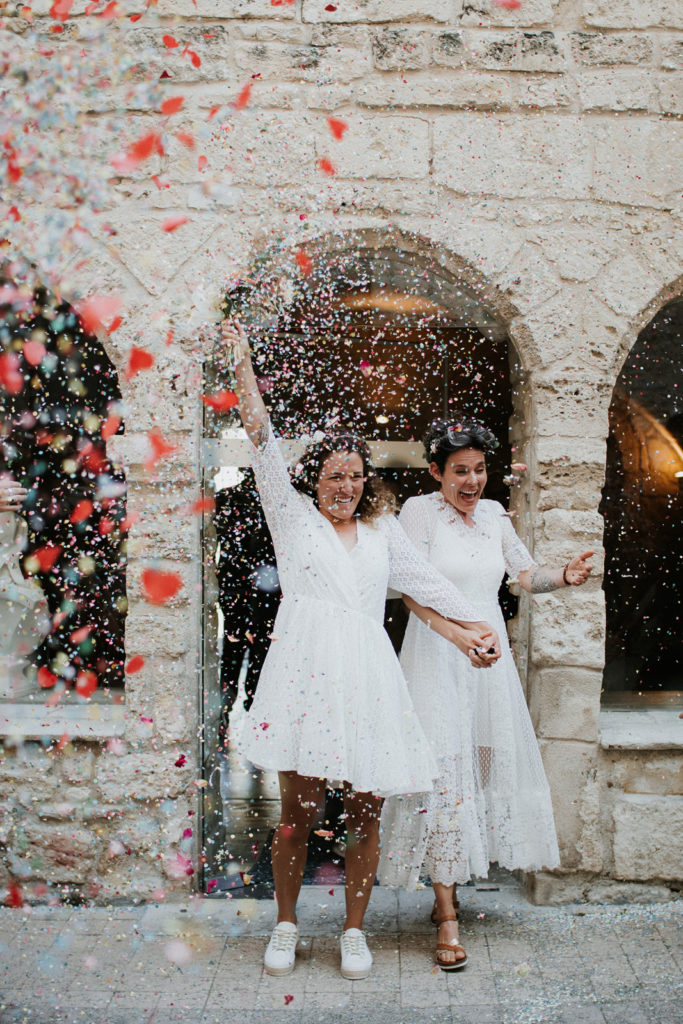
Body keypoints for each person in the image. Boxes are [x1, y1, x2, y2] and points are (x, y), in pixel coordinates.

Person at [219, 321, 501, 981]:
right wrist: (240, 361)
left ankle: (352, 929)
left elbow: (426, 586)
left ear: (364, 481)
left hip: (369, 680)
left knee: (364, 813)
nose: (344, 485)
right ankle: (286, 924)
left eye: (354, 476)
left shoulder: (380, 533)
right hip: (305, 676)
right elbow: (258, 435)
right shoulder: (291, 521)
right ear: (313, 480)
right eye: (333, 475)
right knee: (297, 812)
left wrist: (473, 628)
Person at [379, 418, 594, 971]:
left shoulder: (496, 515)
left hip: (488, 662)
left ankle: (454, 882)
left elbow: (524, 575)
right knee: (444, 772)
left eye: (478, 470)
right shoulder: (419, 514)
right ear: (436, 472)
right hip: (436, 655)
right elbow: (409, 593)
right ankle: (446, 912)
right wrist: (455, 633)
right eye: (459, 472)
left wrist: (562, 577)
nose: (471, 481)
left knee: (481, 762)